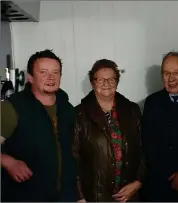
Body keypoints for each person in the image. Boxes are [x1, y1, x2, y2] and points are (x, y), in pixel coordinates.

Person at [0, 49, 80, 201]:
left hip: (65, 196)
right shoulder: (11, 108)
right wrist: (7, 161)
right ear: (30, 77)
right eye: (43, 72)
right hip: (25, 197)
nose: (51, 77)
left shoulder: (67, 108)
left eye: (56, 72)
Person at [73, 59, 146, 202]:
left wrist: (138, 182)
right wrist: (80, 197)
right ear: (92, 82)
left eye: (111, 79)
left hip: (129, 195)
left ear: (117, 82)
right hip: (95, 197)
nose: (106, 84)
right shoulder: (79, 114)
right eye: (100, 80)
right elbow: (73, 157)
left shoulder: (132, 110)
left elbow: (144, 149)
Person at [140, 52, 178, 202]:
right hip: (158, 186)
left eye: (176, 73)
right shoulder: (151, 103)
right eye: (166, 73)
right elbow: (147, 145)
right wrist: (170, 175)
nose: (171, 78)